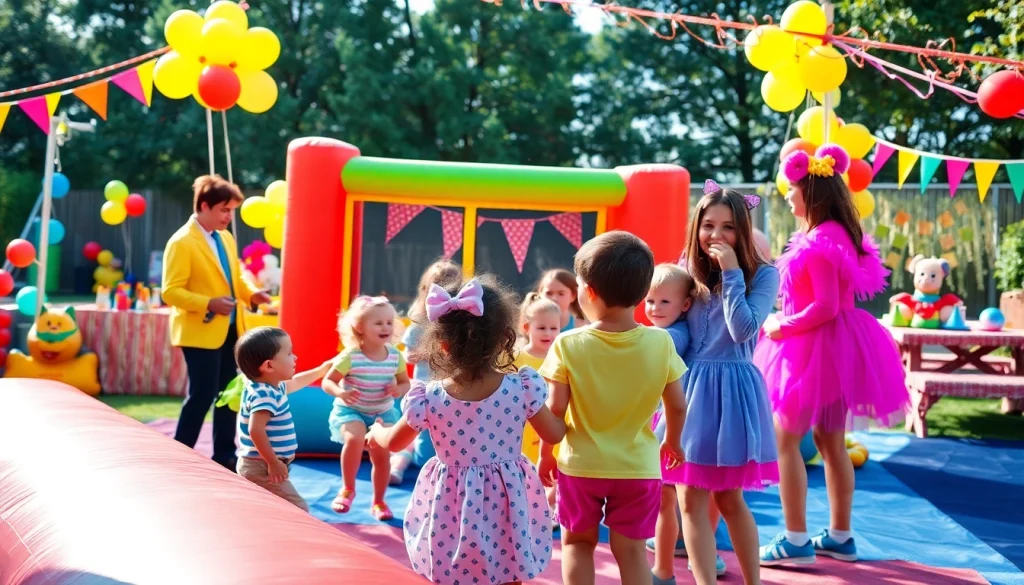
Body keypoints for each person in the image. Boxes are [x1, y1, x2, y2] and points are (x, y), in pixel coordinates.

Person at [754, 145, 907, 566]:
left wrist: (778, 324)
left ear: (811, 192)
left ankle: (796, 539)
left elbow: (824, 306)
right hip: (841, 346)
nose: (787, 195)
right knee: (830, 441)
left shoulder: (818, 242)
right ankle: (840, 535)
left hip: (815, 346)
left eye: (792, 189)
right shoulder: (838, 234)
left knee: (785, 441)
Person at [367, 276, 565, 585]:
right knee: (509, 565)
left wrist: (378, 430)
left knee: (451, 566)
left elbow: (394, 443)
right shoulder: (521, 387)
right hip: (506, 496)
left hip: (451, 499)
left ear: (443, 344)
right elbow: (554, 434)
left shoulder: (428, 397)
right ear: (503, 338)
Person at [537, 231, 688, 585]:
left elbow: (554, 410)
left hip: (581, 466)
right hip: (638, 468)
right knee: (633, 551)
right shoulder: (660, 341)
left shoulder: (568, 344)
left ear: (588, 291)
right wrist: (674, 442)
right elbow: (678, 404)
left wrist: (546, 454)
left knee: (576, 543)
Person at [666, 181, 780, 585]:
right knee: (688, 498)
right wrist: (660, 340)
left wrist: (732, 272)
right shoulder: (686, 270)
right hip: (690, 388)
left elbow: (743, 329)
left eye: (728, 227)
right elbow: (683, 331)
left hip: (733, 391)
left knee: (730, 497)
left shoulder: (764, 275)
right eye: (708, 225)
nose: (716, 235)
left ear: (743, 231)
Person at [163, 174, 271, 470]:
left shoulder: (225, 237)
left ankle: (224, 454)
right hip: (199, 331)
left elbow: (234, 278)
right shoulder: (182, 242)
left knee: (229, 393)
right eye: (224, 210)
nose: (229, 216)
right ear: (204, 206)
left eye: (232, 210)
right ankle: (180, 453)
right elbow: (170, 291)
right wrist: (208, 304)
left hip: (232, 330)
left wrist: (252, 294)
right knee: (202, 394)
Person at [645, 264, 728, 580]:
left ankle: (682, 563)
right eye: (650, 300)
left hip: (673, 424)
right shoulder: (665, 331)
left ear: (685, 305)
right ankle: (666, 567)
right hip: (663, 420)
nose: (654, 308)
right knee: (667, 502)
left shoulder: (673, 334)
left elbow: (665, 342)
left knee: (681, 499)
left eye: (664, 302)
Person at [321, 295, 411, 520]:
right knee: (354, 438)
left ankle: (379, 501)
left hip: (382, 412)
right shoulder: (351, 356)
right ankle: (348, 488)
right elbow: (327, 381)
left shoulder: (394, 356)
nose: (385, 327)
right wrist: (341, 392)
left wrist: (398, 389)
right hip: (351, 410)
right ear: (359, 327)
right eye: (378, 323)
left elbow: (405, 382)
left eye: (389, 322)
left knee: (381, 455)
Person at [234, 326, 333, 511]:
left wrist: (321, 370)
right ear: (269, 365)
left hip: (264, 465)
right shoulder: (264, 394)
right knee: (299, 510)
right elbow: (256, 429)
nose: (294, 357)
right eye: (289, 353)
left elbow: (296, 382)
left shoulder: (272, 386)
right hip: (262, 467)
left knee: (268, 509)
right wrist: (273, 462)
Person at [390, 260, 463, 485]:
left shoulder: (459, 324)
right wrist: (431, 351)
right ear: (427, 291)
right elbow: (409, 356)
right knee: (422, 435)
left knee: (452, 432)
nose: (444, 292)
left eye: (450, 287)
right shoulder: (420, 324)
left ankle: (446, 470)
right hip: (426, 388)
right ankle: (412, 466)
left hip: (453, 389)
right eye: (438, 286)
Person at [515, 292, 562, 525]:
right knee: (526, 469)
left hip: (552, 425)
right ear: (526, 326)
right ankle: (524, 508)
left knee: (554, 468)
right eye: (542, 328)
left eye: (554, 328)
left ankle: (549, 506)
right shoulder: (517, 358)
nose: (549, 334)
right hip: (525, 427)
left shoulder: (562, 357)